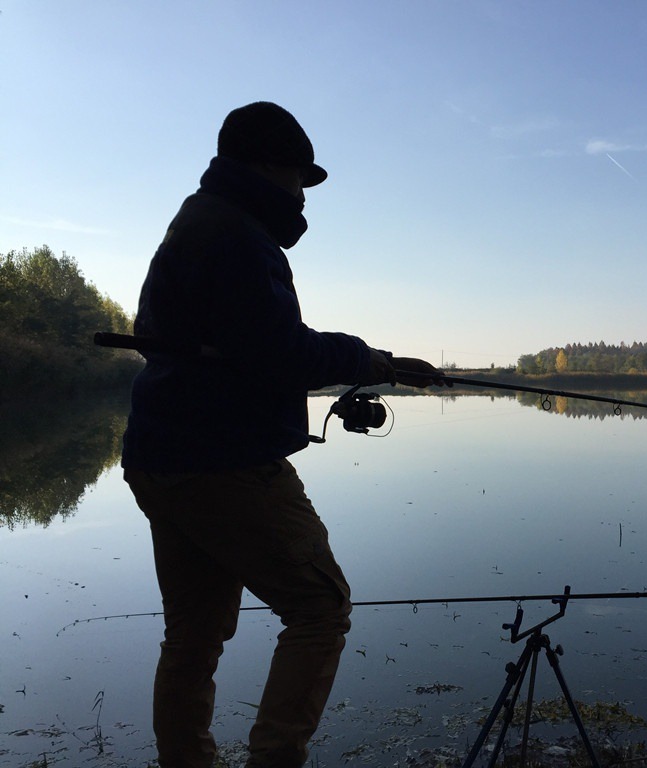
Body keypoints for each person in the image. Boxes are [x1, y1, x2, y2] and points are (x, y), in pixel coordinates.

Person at [121, 101, 446, 768]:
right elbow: (279, 351)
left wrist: (371, 362)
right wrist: (369, 359)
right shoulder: (237, 236)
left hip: (161, 457)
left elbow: (238, 343)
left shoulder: (196, 222)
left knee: (193, 638)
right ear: (269, 166)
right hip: (225, 462)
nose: (303, 194)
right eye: (300, 177)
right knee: (321, 606)